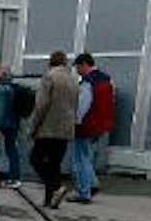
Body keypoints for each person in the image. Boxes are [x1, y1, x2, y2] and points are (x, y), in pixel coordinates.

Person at [28, 51, 78, 208]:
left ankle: (57, 187)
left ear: (51, 61)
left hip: (48, 128)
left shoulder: (49, 77)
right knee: (54, 164)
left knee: (35, 160)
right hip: (65, 129)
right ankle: (49, 200)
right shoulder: (73, 79)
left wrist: (33, 127)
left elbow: (41, 105)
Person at [71, 52, 114, 204]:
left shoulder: (88, 83)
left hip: (86, 125)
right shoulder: (106, 80)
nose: (77, 71)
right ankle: (93, 184)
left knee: (80, 158)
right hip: (100, 125)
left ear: (84, 65)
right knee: (87, 156)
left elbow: (82, 106)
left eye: (77, 68)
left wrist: (75, 122)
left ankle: (84, 192)